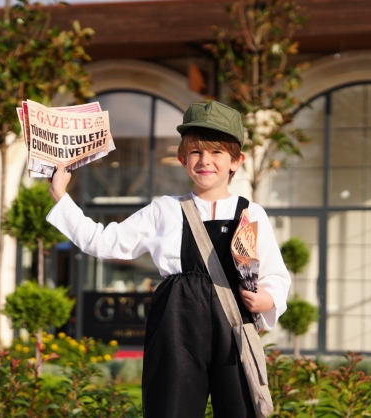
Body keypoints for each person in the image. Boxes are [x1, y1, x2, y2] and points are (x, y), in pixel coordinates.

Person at [46, 100, 291, 418]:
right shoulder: (164, 210)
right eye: (196, 152)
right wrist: (62, 198)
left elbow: (275, 274)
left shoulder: (251, 212)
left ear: (236, 160)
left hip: (234, 324)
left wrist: (266, 300)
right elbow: (106, 242)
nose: (206, 161)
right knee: (171, 407)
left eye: (217, 152)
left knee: (241, 409)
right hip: (177, 323)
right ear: (181, 158)